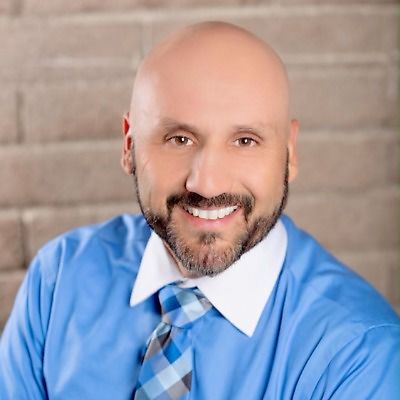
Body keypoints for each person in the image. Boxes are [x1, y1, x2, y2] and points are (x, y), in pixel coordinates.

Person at [1, 21, 399, 400]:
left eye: (245, 141)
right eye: (179, 139)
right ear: (129, 145)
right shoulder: (58, 282)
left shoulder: (359, 355)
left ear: (290, 152)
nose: (207, 185)